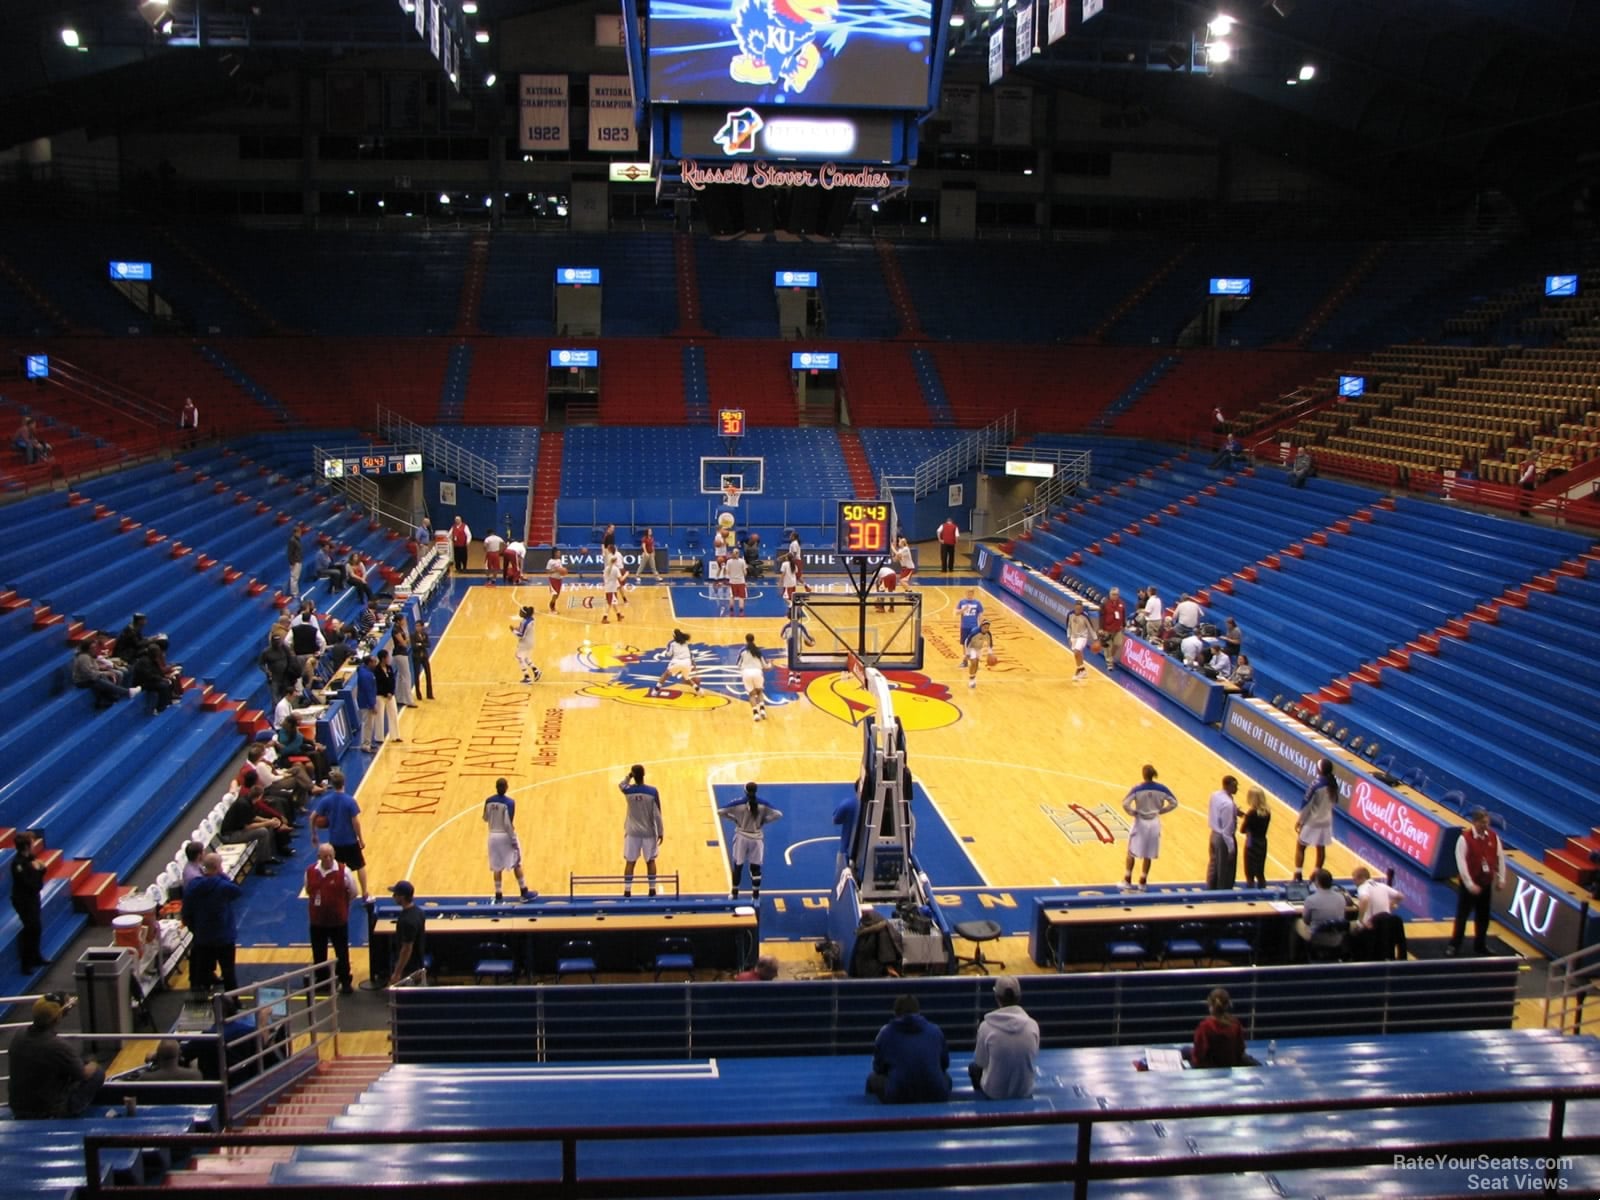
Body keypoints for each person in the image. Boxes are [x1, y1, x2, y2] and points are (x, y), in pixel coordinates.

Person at [7, 995, 104, 1118]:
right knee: (97, 1073)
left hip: (18, 1107)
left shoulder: (19, 1035)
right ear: (56, 1019)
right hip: (46, 1111)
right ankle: (70, 1112)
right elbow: (83, 1074)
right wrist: (93, 1063)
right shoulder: (57, 1046)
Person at [866, 994, 951, 1104]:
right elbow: (944, 1064)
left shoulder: (886, 1033)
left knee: (872, 1079)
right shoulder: (935, 1031)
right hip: (936, 1093)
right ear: (919, 1012)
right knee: (946, 1078)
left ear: (895, 1013)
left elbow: (878, 1068)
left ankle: (870, 1114)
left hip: (897, 1094)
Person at [969, 975, 1039, 1099]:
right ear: (1019, 996)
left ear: (996, 997)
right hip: (1025, 1091)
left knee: (973, 1068)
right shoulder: (1032, 1025)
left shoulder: (985, 1027)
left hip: (994, 1093)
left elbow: (980, 1062)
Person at [183, 851, 243, 995]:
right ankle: (233, 1001)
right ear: (218, 867)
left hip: (203, 937)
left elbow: (186, 910)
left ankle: (201, 998)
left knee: (203, 969)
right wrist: (221, 874)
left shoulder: (193, 885)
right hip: (224, 937)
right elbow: (237, 891)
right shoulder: (223, 886)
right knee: (228, 972)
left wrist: (194, 929)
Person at [1449, 807, 1505, 956]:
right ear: (1474, 822)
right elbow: (1461, 864)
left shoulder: (1493, 837)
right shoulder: (1464, 839)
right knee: (1462, 916)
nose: (1485, 826)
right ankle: (1454, 945)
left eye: (1487, 823)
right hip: (1470, 886)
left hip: (1486, 884)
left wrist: (1501, 878)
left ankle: (1480, 945)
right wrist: (1469, 884)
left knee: (1483, 917)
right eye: (1482, 823)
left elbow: (1500, 858)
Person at [311, 769, 370, 903]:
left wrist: (314, 834)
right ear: (344, 783)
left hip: (335, 842)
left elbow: (312, 817)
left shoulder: (326, 800)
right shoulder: (350, 801)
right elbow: (355, 822)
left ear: (332, 783)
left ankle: (337, 893)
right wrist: (360, 839)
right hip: (349, 840)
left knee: (337, 869)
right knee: (359, 866)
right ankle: (365, 894)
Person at [306, 842, 358, 994]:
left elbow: (353, 892)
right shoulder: (310, 871)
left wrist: (340, 904)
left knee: (342, 952)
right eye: (325, 856)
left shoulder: (344, 871)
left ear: (334, 856)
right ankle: (322, 982)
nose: (328, 859)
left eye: (330, 856)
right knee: (318, 952)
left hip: (338, 921)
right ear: (319, 857)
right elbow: (309, 890)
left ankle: (345, 981)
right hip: (317, 921)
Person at [719, 782, 782, 900]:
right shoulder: (763, 804)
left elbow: (720, 811)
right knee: (756, 868)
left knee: (738, 866)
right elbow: (778, 814)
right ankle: (755, 896)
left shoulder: (738, 803)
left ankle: (734, 894)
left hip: (741, 837)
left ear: (745, 791)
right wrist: (764, 821)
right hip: (756, 838)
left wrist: (734, 819)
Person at [1122, 764, 1179, 890]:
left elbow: (1125, 803)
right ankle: (1142, 882)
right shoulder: (1162, 788)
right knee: (1148, 853)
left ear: (1143, 774)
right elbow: (1174, 803)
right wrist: (1161, 811)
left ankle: (1127, 880)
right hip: (1154, 822)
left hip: (1140, 821)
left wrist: (1133, 812)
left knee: (1131, 852)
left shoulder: (1137, 788)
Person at [484, 777, 533, 902]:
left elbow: (485, 818)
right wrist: (512, 838)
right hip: (505, 834)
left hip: (492, 835)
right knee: (516, 863)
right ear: (506, 787)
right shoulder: (510, 803)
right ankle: (524, 891)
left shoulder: (488, 801)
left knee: (496, 867)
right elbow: (508, 822)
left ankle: (498, 895)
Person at [618, 764, 664, 898]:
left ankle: (627, 891)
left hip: (632, 832)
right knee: (650, 861)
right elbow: (657, 814)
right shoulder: (652, 792)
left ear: (634, 776)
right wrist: (660, 831)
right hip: (648, 832)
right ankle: (652, 890)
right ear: (644, 775)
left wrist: (628, 776)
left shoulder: (628, 791)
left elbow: (621, 784)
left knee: (630, 862)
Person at [1351, 866, 1407, 961]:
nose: (1354, 882)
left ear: (1361, 878)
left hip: (1371, 927)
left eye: (1354, 879)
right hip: (1387, 925)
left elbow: (1364, 899)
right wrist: (1390, 904)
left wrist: (1360, 920)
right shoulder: (1382, 885)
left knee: (1351, 930)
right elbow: (1401, 896)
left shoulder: (1363, 887)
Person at [1295, 758, 1338, 881]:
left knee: (1301, 846)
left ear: (1319, 769)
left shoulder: (1316, 784)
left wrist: (1300, 821)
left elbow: (1307, 803)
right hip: (1326, 821)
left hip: (1313, 821)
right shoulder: (1333, 784)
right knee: (1321, 848)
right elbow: (1334, 802)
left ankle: (1298, 874)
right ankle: (1317, 873)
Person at [10, 831, 47, 972]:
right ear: (26, 846)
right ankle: (26, 964)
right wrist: (38, 871)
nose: (33, 845)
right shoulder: (18, 864)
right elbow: (29, 883)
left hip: (32, 897)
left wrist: (40, 869)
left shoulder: (30, 858)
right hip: (23, 900)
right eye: (31, 842)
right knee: (30, 928)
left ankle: (37, 956)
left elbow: (42, 869)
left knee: (36, 928)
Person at [1191, 987, 1253, 1069]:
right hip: (1231, 1063)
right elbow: (1240, 1048)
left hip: (1210, 1068)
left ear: (1210, 1004)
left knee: (1185, 1051)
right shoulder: (1235, 1023)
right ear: (1228, 1004)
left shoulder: (1205, 1026)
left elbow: (1198, 1055)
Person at [1294, 868, 1347, 959]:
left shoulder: (1310, 900)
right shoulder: (1341, 898)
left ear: (1317, 882)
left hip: (1317, 938)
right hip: (1337, 939)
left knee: (1296, 922)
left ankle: (1294, 958)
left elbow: (1306, 921)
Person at [387, 880, 426, 986]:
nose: (393, 896)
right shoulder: (419, 912)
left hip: (409, 969)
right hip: (417, 963)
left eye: (395, 894)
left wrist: (397, 973)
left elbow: (406, 949)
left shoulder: (407, 921)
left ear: (402, 897)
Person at [1206, 775, 1239, 890]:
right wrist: (1231, 849)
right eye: (1235, 786)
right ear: (1228, 786)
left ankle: (1210, 890)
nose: (1237, 788)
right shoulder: (1228, 804)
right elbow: (1227, 831)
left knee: (1214, 866)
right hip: (1223, 840)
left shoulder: (1215, 795)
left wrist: (1235, 811)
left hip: (1214, 835)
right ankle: (1222, 895)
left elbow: (1217, 810)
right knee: (1225, 872)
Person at [651, 629, 702, 698]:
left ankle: (655, 691)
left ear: (674, 636)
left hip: (677, 662)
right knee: (685, 679)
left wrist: (666, 652)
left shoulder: (672, 644)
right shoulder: (685, 643)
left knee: (665, 675)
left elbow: (669, 654)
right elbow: (690, 655)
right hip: (687, 663)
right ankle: (698, 690)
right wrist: (694, 665)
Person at [1239, 787, 1271, 889]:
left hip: (1251, 843)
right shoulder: (1267, 812)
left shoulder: (1251, 812)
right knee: (1260, 872)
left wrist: (1246, 818)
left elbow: (1242, 829)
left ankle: (1250, 896)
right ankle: (1264, 894)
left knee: (1250, 874)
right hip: (1262, 842)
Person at [373, 648, 402, 744]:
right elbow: (378, 684)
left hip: (390, 696)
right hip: (380, 696)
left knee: (393, 714)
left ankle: (395, 735)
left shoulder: (389, 668)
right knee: (379, 716)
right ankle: (379, 737)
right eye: (387, 657)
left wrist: (391, 692)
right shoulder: (376, 670)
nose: (389, 658)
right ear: (383, 658)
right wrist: (386, 693)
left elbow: (393, 681)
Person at [737, 634, 768, 722]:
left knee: (751, 694)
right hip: (757, 672)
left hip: (746, 672)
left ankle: (755, 714)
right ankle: (762, 709)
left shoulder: (742, 651)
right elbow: (765, 666)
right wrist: (770, 665)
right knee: (759, 691)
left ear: (746, 640)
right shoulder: (758, 651)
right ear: (754, 639)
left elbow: (738, 664)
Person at [781, 606, 813, 688]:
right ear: (799, 617)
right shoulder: (801, 627)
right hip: (798, 648)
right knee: (798, 661)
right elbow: (807, 638)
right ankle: (798, 677)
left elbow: (782, 636)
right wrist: (811, 642)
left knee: (791, 662)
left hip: (789, 648)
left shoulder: (786, 627)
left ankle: (791, 676)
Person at [355, 654, 380, 752]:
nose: (375, 664)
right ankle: (365, 745)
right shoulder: (366, 675)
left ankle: (368, 742)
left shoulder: (364, 671)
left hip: (365, 701)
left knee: (369, 724)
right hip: (366, 703)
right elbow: (368, 690)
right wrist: (372, 705)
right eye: (374, 662)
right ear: (369, 663)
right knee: (367, 724)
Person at [511, 605, 542, 683]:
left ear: (524, 614)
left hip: (525, 642)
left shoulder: (524, 622)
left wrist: (513, 631)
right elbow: (524, 630)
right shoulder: (531, 619)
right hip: (531, 641)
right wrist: (518, 629)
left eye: (521, 612)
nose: (519, 612)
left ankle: (527, 677)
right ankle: (536, 670)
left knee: (519, 657)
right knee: (526, 658)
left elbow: (521, 635)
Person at [964, 619, 995, 690]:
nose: (986, 629)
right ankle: (971, 680)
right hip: (971, 646)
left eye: (988, 628)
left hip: (978, 648)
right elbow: (967, 642)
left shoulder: (988, 634)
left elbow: (990, 644)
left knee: (976, 664)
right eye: (985, 627)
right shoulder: (974, 632)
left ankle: (973, 677)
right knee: (974, 662)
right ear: (981, 626)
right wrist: (967, 653)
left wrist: (990, 654)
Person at [1099, 586, 1126, 670]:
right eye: (1113, 594)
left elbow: (1123, 615)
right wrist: (1101, 628)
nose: (1115, 596)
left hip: (1117, 629)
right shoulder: (1105, 604)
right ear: (1110, 594)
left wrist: (1124, 625)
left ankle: (1110, 657)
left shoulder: (1121, 603)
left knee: (1118, 643)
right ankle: (1109, 663)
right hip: (1107, 629)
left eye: (1116, 594)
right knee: (1108, 646)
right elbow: (1101, 617)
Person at [1066, 601, 1093, 682]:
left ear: (1082, 609)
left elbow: (1090, 627)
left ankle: (1079, 671)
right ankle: (1083, 670)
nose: (1078, 610)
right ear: (1074, 607)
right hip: (1074, 636)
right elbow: (1068, 626)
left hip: (1082, 637)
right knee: (1076, 654)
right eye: (1077, 608)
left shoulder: (1085, 616)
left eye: (1080, 608)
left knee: (1077, 651)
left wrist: (1095, 639)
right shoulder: (1070, 614)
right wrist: (1068, 637)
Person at [390, 620, 415, 707]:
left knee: (400, 676)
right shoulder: (396, 630)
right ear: (399, 621)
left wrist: (406, 640)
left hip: (401, 653)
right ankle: (409, 700)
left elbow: (405, 641)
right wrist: (406, 640)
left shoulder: (399, 628)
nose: (404, 621)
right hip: (400, 654)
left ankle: (399, 698)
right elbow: (404, 644)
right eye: (403, 620)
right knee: (406, 677)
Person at [599, 547, 626, 624]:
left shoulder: (606, 569)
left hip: (609, 588)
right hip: (611, 588)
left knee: (613, 602)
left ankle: (618, 615)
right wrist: (626, 574)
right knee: (609, 604)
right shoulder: (615, 569)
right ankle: (604, 618)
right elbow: (621, 579)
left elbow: (605, 577)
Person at [412, 619, 434, 699]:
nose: (417, 627)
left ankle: (429, 694)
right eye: (416, 626)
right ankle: (418, 694)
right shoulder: (413, 635)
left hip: (424, 656)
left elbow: (428, 644)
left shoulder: (425, 634)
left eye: (418, 626)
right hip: (416, 657)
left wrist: (420, 644)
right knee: (416, 676)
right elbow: (414, 646)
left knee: (428, 675)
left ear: (422, 627)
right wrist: (422, 644)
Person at [723, 549, 748, 617]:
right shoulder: (742, 561)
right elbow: (745, 573)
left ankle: (731, 611)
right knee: (741, 597)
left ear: (732, 554)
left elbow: (727, 572)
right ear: (738, 554)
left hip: (732, 582)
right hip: (741, 582)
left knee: (732, 597)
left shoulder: (729, 562)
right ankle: (741, 612)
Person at [286, 528, 303, 601]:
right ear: (295, 532)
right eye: (299, 532)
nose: (300, 534)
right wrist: (292, 563)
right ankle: (294, 593)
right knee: (294, 577)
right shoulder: (292, 541)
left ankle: (296, 592)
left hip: (298, 560)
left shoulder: (297, 540)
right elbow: (290, 553)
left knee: (296, 577)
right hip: (295, 561)